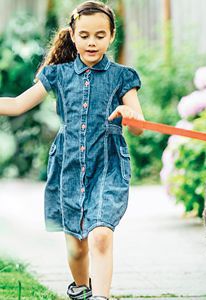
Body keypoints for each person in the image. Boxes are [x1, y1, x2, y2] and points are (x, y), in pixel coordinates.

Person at [0, 1, 145, 299]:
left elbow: (140, 125)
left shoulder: (122, 76)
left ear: (111, 36)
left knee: (101, 235)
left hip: (108, 164)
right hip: (68, 166)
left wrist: (128, 114)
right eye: (85, 34)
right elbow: (16, 105)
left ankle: (101, 296)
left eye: (100, 35)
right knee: (77, 247)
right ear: (74, 35)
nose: (92, 42)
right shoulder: (58, 74)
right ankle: (81, 289)